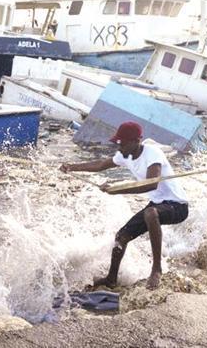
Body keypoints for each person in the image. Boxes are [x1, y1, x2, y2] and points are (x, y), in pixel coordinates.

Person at [60, 121, 189, 290]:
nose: (119, 148)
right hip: (158, 204)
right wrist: (72, 167)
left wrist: (117, 189)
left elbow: (151, 184)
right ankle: (111, 278)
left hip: (177, 206)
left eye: (123, 144)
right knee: (121, 237)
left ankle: (156, 269)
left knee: (150, 213)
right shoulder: (124, 155)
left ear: (137, 141)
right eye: (118, 143)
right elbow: (101, 165)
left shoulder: (153, 154)